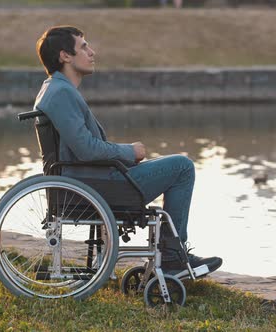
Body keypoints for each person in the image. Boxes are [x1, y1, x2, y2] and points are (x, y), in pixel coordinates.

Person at [33, 26, 222, 274]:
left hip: (88, 180)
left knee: (171, 165)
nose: (92, 52)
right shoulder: (61, 93)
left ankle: (171, 254)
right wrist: (128, 152)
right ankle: (173, 258)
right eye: (84, 46)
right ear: (65, 56)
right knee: (181, 167)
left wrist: (126, 156)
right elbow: (86, 149)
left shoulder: (55, 89)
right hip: (92, 185)